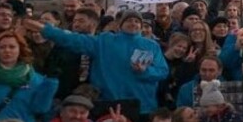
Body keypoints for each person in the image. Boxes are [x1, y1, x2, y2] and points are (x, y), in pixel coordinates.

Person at [29, 10, 168, 115]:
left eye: (137, 21)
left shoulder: (151, 46)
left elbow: (162, 71)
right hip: (108, 103)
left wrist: (145, 71)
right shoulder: (104, 41)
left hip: (142, 106)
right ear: (120, 25)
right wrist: (45, 30)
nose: (133, 23)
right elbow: (73, 40)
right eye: (129, 20)